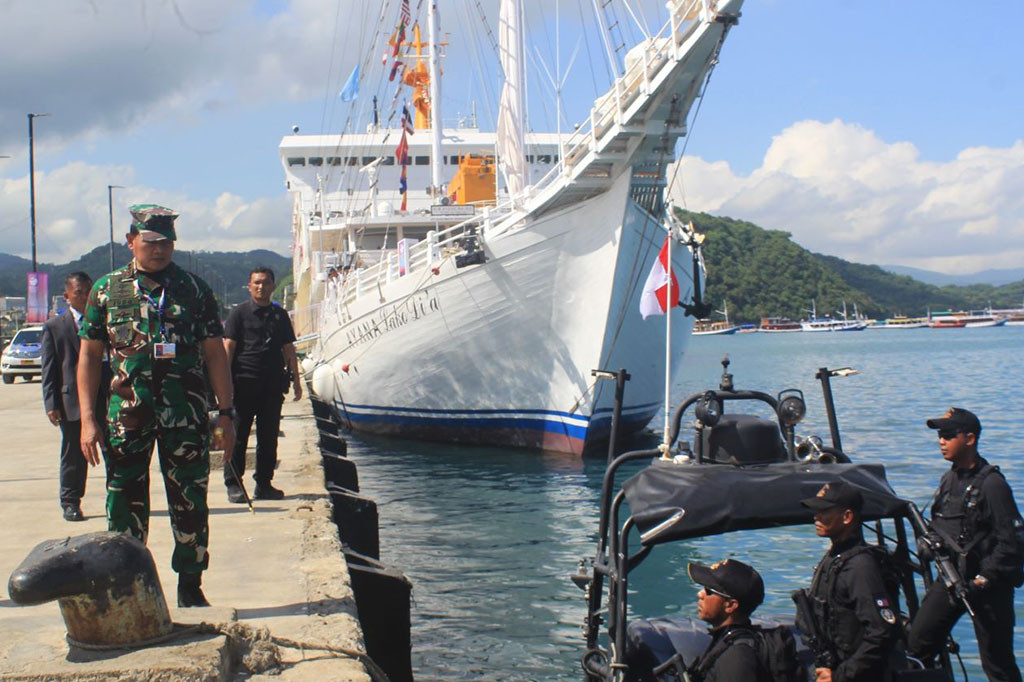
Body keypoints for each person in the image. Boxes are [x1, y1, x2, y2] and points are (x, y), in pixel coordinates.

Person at [77, 204, 235, 608]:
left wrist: (226, 414)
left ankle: (190, 582)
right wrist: (88, 420)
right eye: (150, 242)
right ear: (131, 241)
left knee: (190, 497)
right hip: (127, 416)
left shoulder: (193, 290)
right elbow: (90, 357)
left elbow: (215, 354)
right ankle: (127, 583)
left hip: (185, 414)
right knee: (123, 499)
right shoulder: (107, 290)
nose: (159, 250)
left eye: (167, 242)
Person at [907, 408, 1022, 682]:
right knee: (915, 647)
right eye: (939, 435)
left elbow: (1013, 544)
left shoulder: (993, 485)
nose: (941, 441)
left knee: (998, 664)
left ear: (969, 439)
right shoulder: (949, 479)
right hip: (950, 580)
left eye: (948, 435)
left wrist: (983, 580)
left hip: (988, 587)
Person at [800, 481, 901, 682]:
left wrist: (840, 676)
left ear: (847, 517)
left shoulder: (860, 567)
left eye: (824, 511)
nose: (816, 517)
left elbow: (882, 631)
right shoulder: (834, 559)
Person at [222, 266, 301, 503]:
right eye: (256, 283)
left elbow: (289, 348)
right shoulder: (239, 314)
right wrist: (224, 382)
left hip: (272, 385)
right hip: (243, 383)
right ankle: (234, 484)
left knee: (268, 438)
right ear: (249, 286)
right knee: (238, 437)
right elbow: (229, 347)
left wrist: (296, 380)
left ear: (273, 286)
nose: (261, 287)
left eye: (265, 283)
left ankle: (264, 484)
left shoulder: (280, 315)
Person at [41, 272, 94, 521]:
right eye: (79, 292)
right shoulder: (54, 327)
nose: (84, 296)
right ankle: (70, 501)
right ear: (67, 296)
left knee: (116, 452)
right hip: (70, 401)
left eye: (87, 291)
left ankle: (120, 498)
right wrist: (51, 403)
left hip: (103, 398)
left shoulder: (103, 321)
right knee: (73, 453)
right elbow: (49, 368)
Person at [686, 558, 770, 681]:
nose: (700, 594)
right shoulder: (727, 640)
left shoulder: (736, 657)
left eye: (709, 590)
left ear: (730, 605)